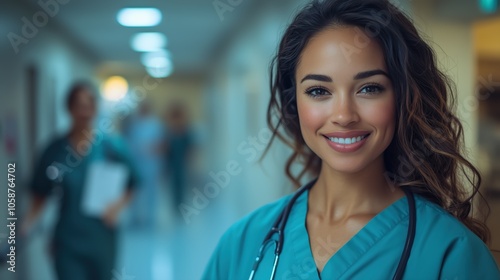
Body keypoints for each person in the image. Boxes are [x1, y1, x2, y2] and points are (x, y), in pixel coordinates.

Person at [202, 0, 500, 279]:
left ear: (404, 99)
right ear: (294, 104)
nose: (344, 115)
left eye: (369, 88)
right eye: (319, 91)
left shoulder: (451, 253)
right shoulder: (242, 242)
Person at [23, 82, 138, 280]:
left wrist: (117, 207)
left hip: (102, 239)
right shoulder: (54, 150)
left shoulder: (112, 147)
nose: (85, 112)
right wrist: (23, 229)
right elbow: (39, 195)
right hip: (67, 241)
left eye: (89, 106)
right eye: (79, 106)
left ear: (96, 109)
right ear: (69, 108)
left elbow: (134, 183)